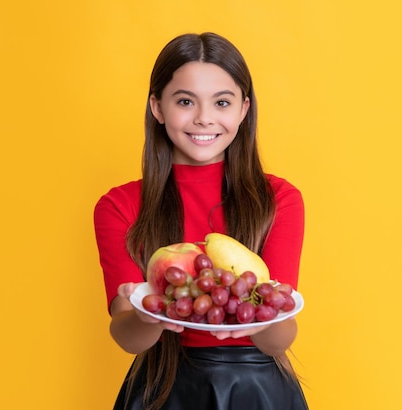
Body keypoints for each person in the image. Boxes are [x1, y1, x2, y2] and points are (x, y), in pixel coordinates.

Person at [94, 32, 308, 410]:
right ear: (157, 107)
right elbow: (128, 337)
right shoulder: (120, 205)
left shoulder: (279, 200)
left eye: (221, 102)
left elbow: (279, 338)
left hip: (258, 391)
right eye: (185, 101)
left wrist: (264, 321)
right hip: (161, 390)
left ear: (243, 110)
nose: (204, 118)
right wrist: (150, 313)